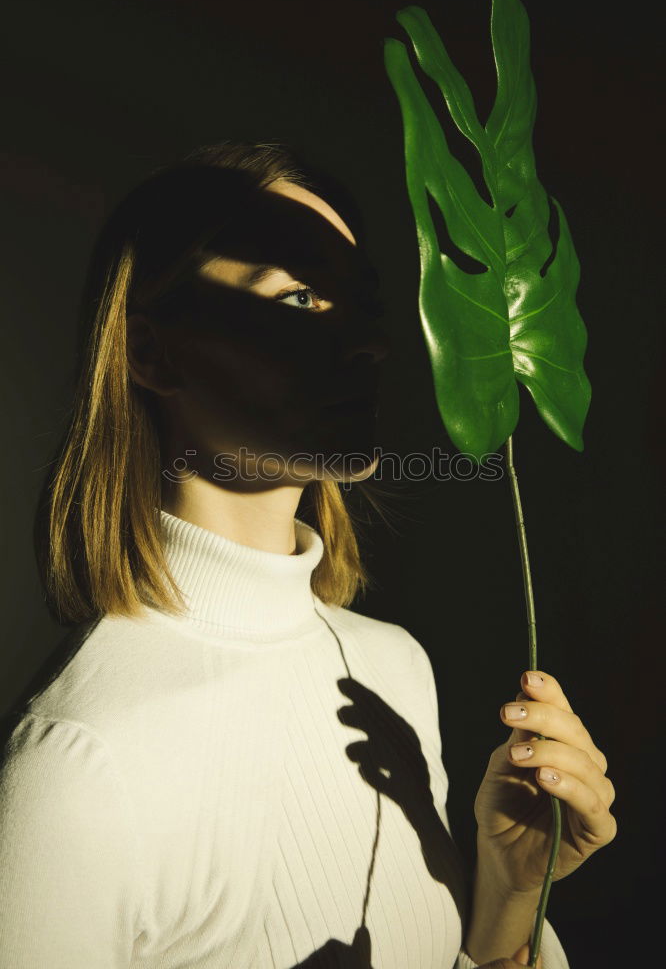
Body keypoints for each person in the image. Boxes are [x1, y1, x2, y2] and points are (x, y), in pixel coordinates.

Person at [0, 140, 615, 968]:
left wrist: (509, 888)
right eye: (296, 296)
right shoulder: (79, 763)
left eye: (361, 304)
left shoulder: (391, 669)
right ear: (149, 353)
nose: (365, 342)